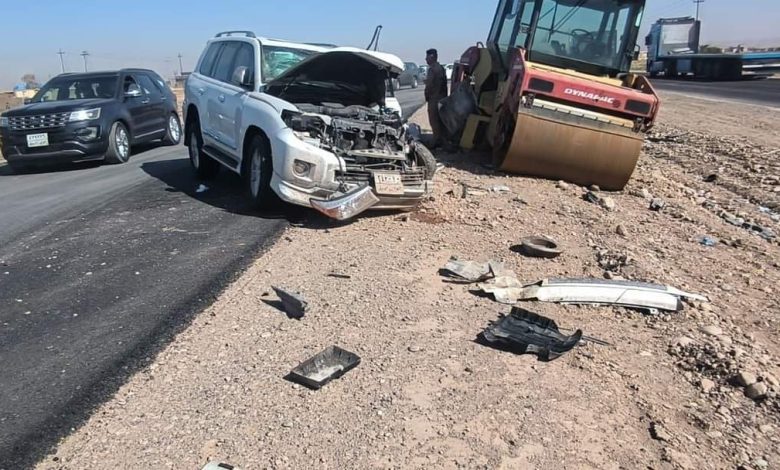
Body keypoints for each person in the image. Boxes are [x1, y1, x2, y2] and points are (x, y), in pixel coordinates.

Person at [424, 48, 448, 149]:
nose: (425, 59)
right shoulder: (441, 68)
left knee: (434, 120)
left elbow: (429, 85)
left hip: (434, 98)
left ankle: (436, 141)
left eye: (427, 57)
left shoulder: (433, 69)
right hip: (442, 98)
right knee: (441, 120)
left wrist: (426, 95)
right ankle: (442, 141)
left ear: (432, 57)